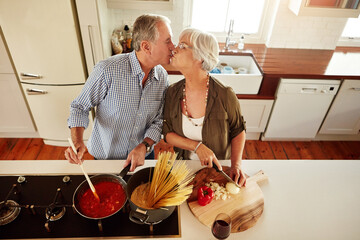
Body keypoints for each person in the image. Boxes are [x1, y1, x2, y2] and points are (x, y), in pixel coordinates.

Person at [65, 14, 175, 172]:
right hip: (106, 158)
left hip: (143, 155)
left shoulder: (162, 77)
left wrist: (144, 146)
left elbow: (159, 121)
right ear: (146, 47)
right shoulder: (107, 70)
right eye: (167, 41)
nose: (173, 46)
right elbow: (79, 106)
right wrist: (77, 141)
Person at [163, 28, 247, 186]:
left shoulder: (225, 96)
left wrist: (236, 165)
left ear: (200, 57)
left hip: (218, 170)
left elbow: (238, 130)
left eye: (182, 45)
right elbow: (167, 133)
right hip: (185, 168)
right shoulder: (172, 93)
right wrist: (197, 147)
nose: (174, 48)